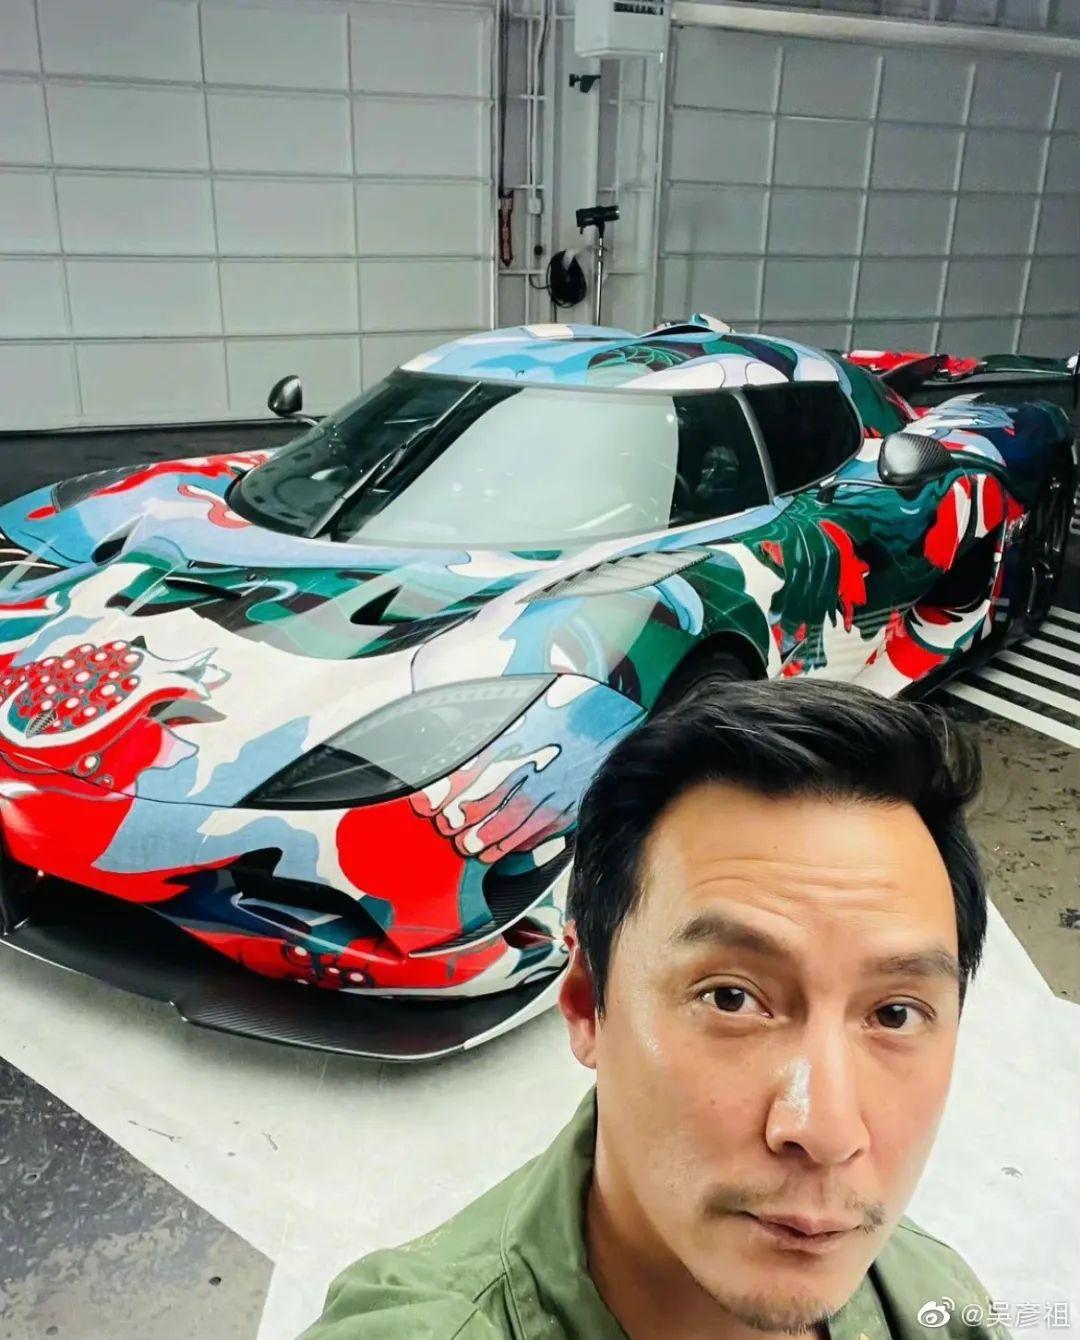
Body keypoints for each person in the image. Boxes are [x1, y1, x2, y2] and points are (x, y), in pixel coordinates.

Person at [301, 679, 1010, 1340]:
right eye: (732, 998)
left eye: (894, 1014)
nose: (825, 1131)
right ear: (588, 1003)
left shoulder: (940, 1302)